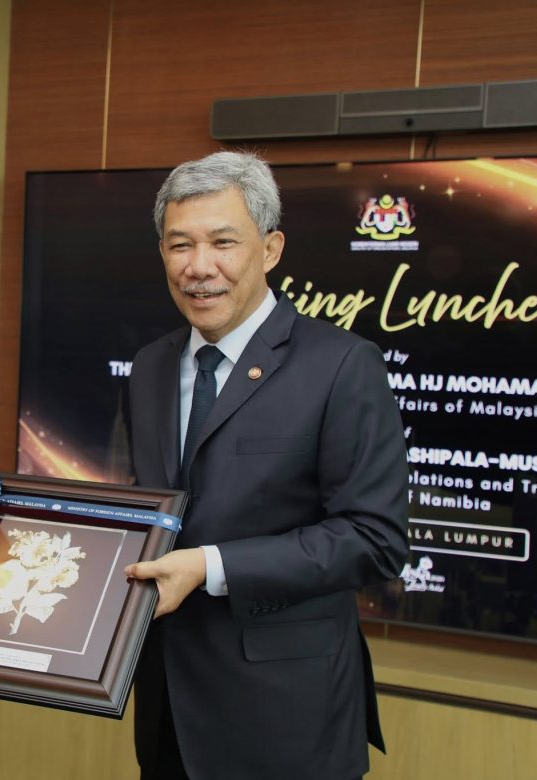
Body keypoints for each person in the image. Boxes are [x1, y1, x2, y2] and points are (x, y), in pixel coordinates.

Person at [123, 152, 409, 780]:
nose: (200, 267)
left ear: (271, 249)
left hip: (286, 718)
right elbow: (141, 508)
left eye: (223, 242)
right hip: (167, 709)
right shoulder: (148, 367)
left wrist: (209, 566)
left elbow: (375, 539)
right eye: (180, 245)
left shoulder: (341, 365)